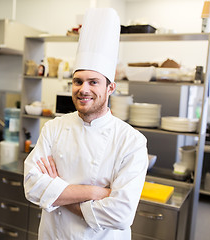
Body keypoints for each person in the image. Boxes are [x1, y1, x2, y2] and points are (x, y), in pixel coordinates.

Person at [23, 8, 148, 240]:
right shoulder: (53, 128)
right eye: (78, 81)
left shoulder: (131, 141)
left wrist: (56, 191)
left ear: (110, 88)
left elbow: (121, 214)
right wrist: (94, 193)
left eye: (94, 82)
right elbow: (31, 186)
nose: (84, 89)